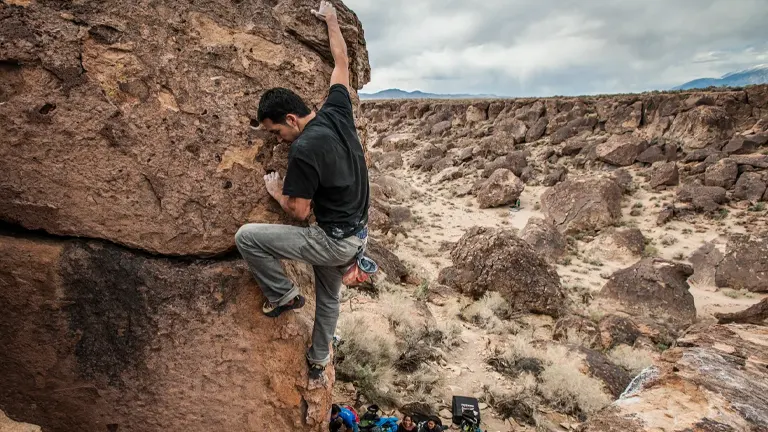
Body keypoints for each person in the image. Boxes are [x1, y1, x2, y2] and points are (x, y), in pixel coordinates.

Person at [234, 0, 370, 381]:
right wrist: (331, 20)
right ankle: (317, 359)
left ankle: (283, 295)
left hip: (332, 240)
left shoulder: (305, 149)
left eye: (277, 131)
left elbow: (298, 213)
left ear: (291, 119)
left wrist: (278, 193)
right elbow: (340, 64)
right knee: (329, 298)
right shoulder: (337, 110)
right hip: (357, 235)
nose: (279, 138)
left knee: (247, 238)